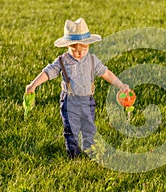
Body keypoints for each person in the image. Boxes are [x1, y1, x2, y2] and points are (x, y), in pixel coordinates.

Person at [25, 18, 129, 158]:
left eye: (84, 49)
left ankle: (90, 151)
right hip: (70, 101)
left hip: (87, 100)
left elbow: (106, 73)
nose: (79, 53)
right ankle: (73, 155)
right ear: (68, 46)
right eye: (75, 49)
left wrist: (121, 85)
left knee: (89, 128)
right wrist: (33, 85)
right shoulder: (63, 61)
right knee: (71, 129)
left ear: (88, 45)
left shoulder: (92, 60)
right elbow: (47, 72)